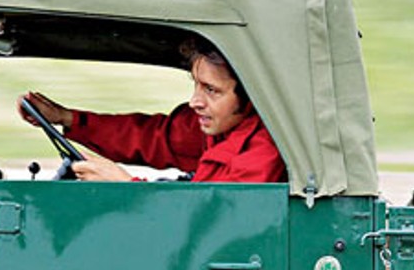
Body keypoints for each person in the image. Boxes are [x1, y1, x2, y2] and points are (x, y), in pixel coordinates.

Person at [19, 36, 286, 183]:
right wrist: (68, 118)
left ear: (251, 96)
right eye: (196, 85)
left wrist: (124, 186)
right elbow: (153, 138)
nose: (195, 101)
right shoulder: (220, 124)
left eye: (211, 90)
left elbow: (207, 223)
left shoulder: (262, 153)